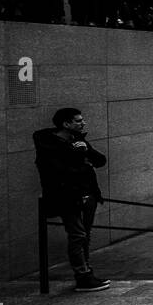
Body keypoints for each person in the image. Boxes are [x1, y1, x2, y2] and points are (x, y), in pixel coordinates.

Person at [33, 108, 110, 292]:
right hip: (66, 197)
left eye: (82, 120)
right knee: (78, 235)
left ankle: (87, 272)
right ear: (66, 124)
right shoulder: (49, 144)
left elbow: (100, 160)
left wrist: (84, 152)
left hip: (88, 194)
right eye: (78, 121)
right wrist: (79, 158)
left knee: (85, 235)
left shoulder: (79, 140)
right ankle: (82, 276)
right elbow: (59, 171)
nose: (82, 123)